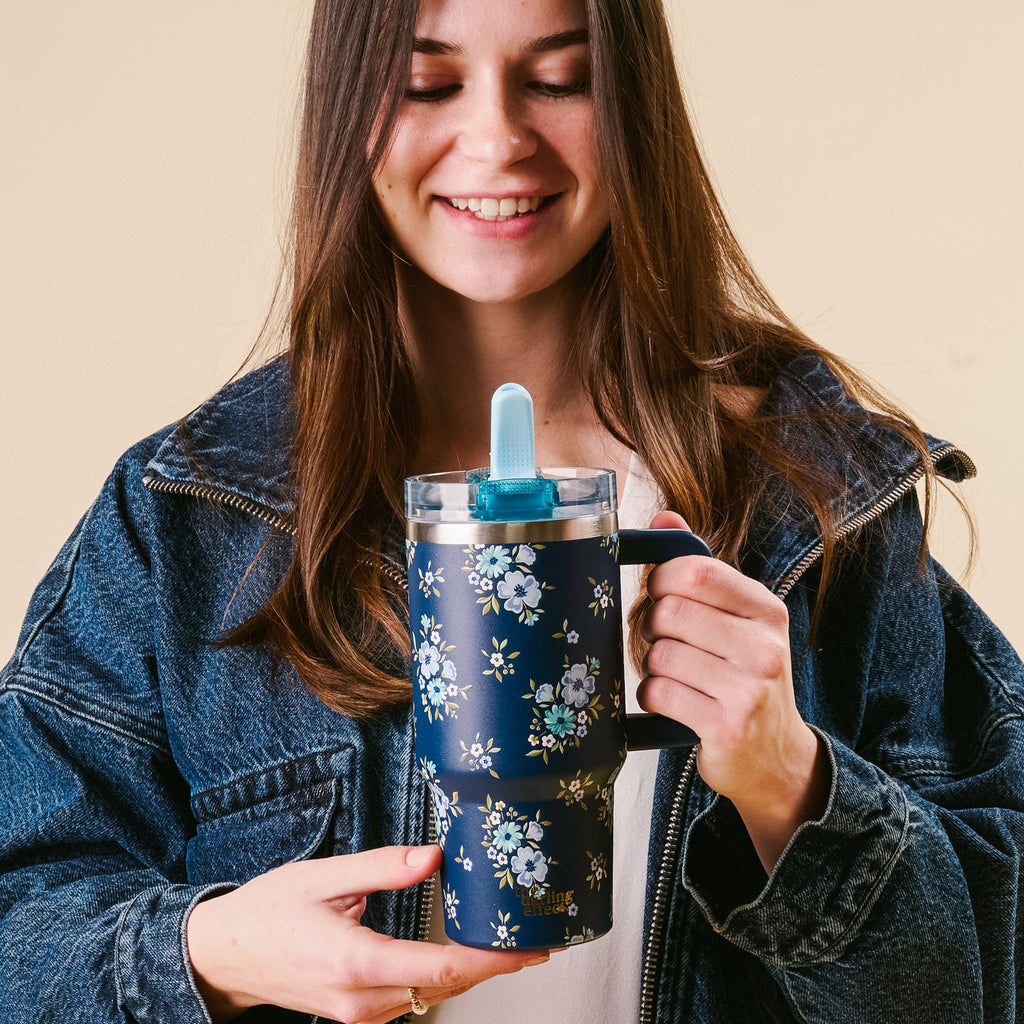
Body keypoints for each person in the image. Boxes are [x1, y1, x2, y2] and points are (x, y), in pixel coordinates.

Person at [2, 0, 1021, 1021]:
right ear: (346, 110)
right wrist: (212, 950)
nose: (495, 139)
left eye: (559, 79)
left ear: (632, 103)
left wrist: (791, 784)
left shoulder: (820, 501)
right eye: (426, 85)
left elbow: (978, 980)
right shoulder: (190, 520)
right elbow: (19, 929)